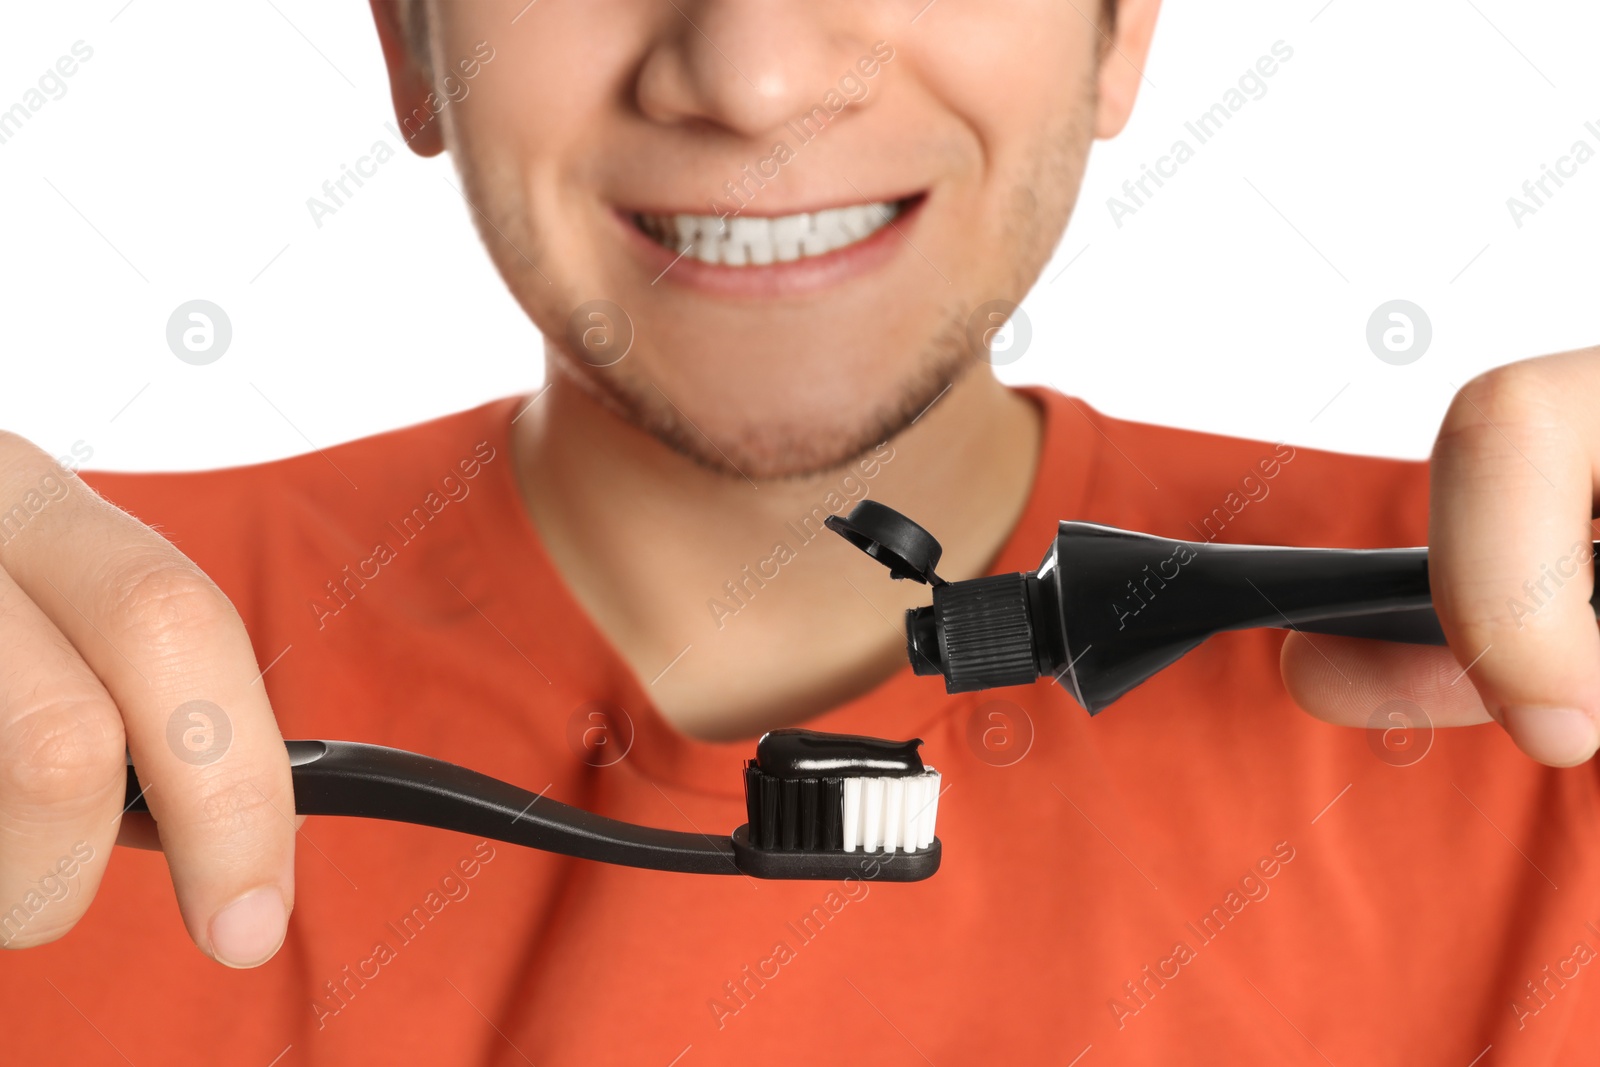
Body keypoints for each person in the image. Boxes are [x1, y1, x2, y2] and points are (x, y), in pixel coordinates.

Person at [4, 0, 1598, 1062]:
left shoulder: (1553, 675)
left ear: (1123, 33)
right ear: (409, 40)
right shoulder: (51, 711)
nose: (753, 78)